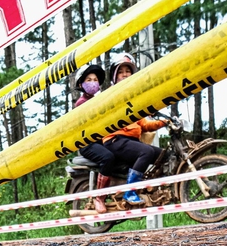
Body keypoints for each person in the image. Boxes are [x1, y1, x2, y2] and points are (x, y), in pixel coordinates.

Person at [101, 52, 170, 204]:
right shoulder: (110, 95)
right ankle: (130, 191)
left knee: (164, 155)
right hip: (115, 139)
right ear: (114, 76)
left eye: (128, 71)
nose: (125, 75)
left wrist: (164, 122)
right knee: (146, 151)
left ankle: (154, 188)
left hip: (131, 141)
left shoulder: (132, 99)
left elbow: (144, 124)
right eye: (121, 72)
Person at [72, 63, 119, 212]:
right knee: (108, 157)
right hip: (87, 143)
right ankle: (100, 197)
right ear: (81, 84)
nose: (93, 82)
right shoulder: (82, 103)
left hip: (100, 141)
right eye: (89, 80)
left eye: (95, 80)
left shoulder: (97, 100)